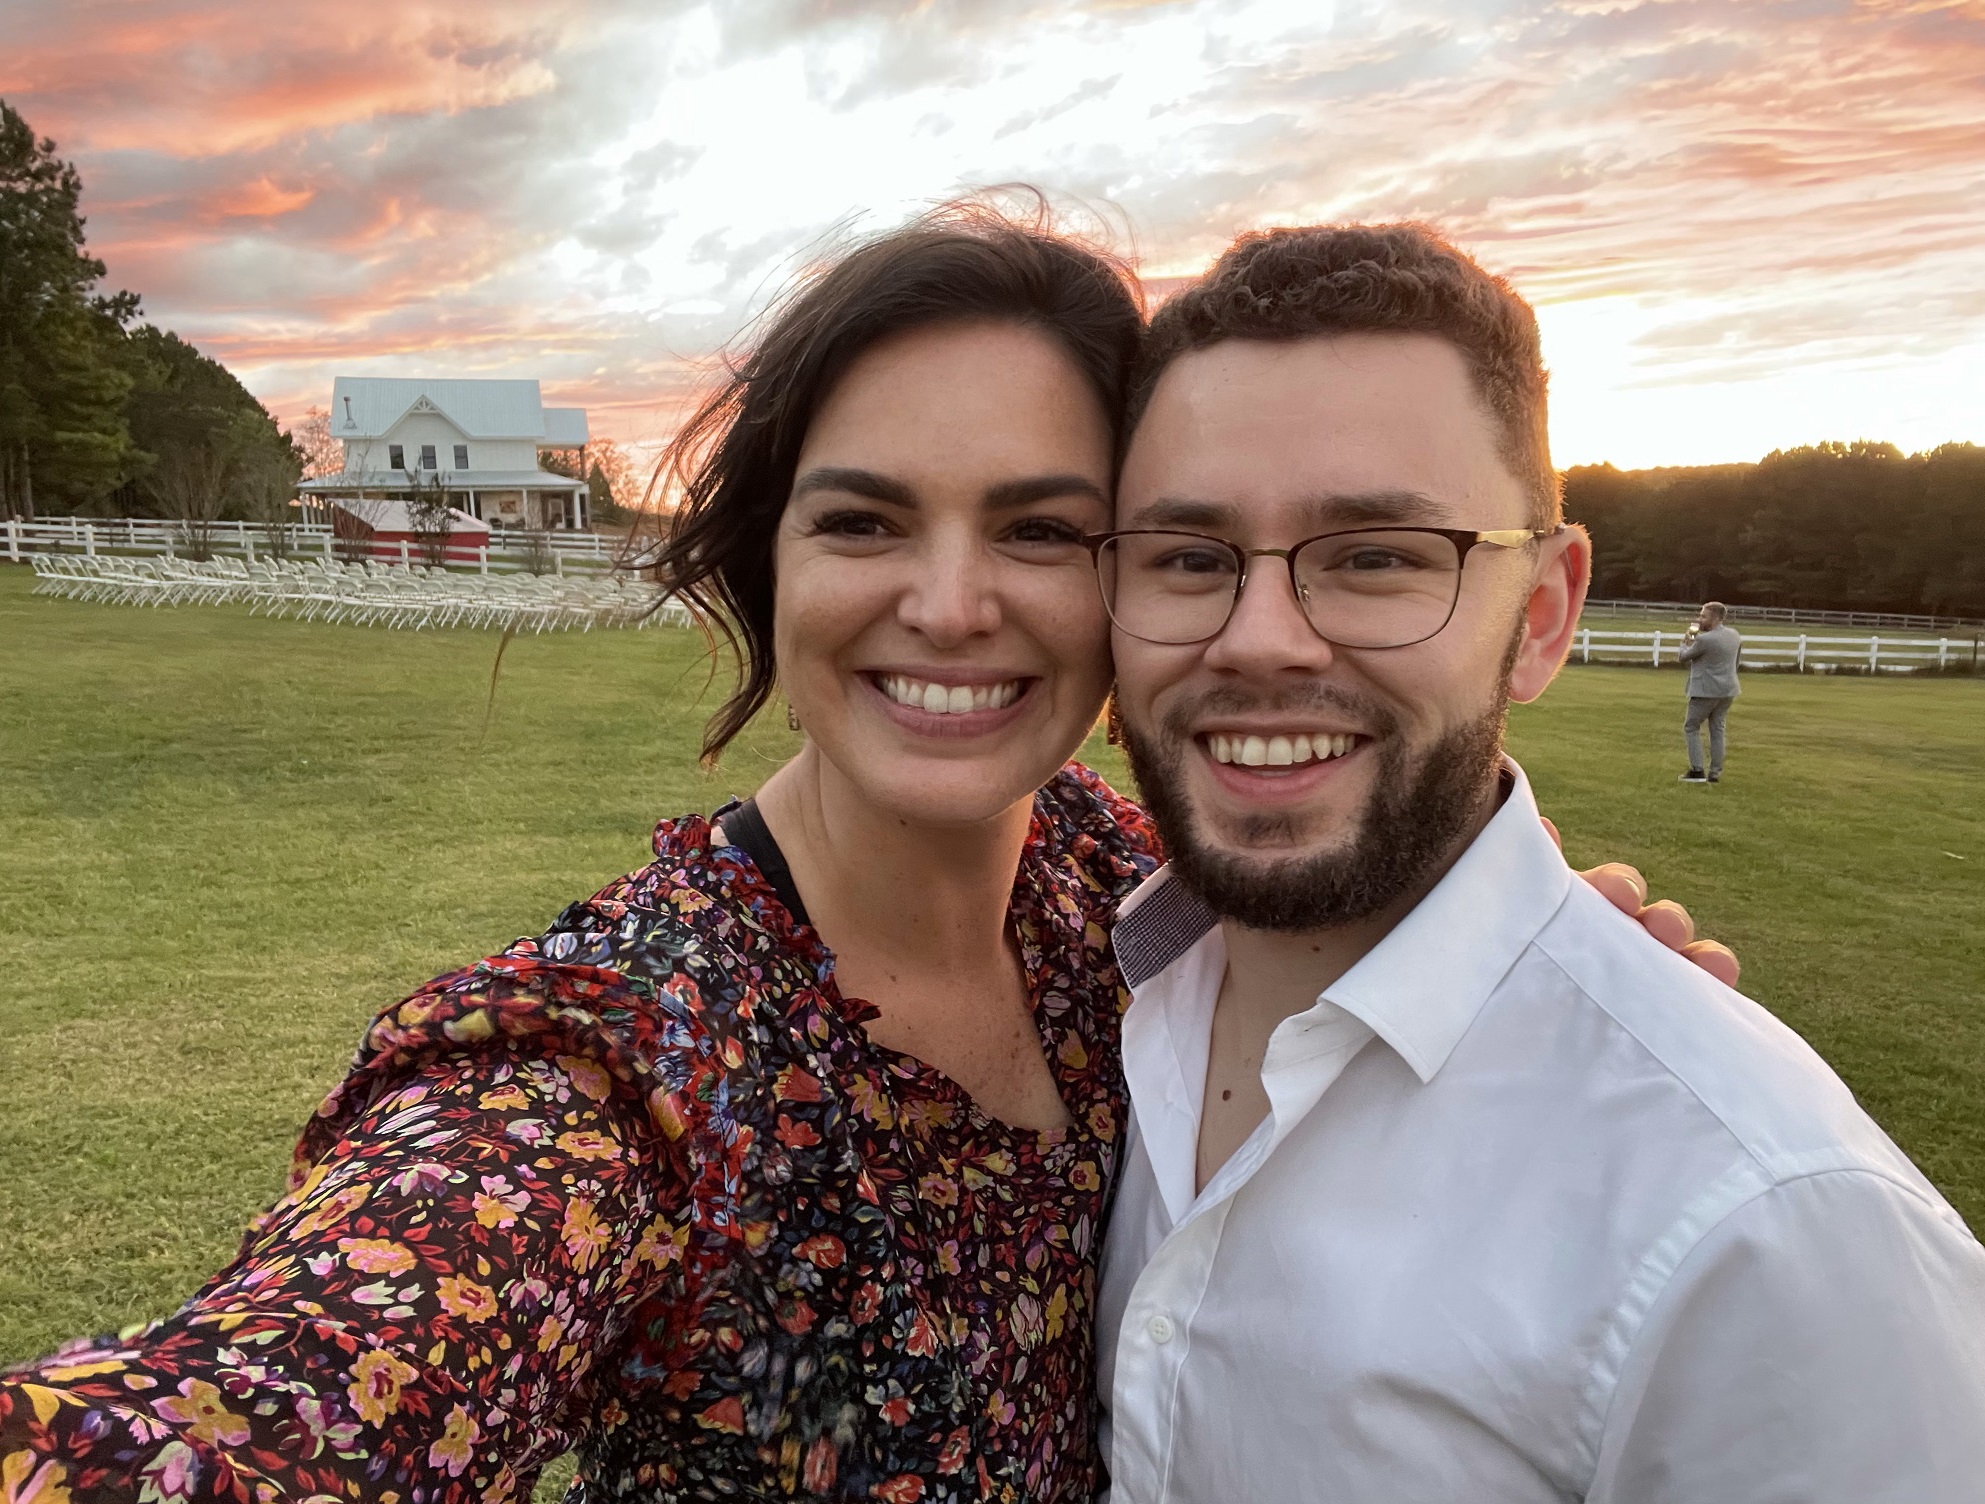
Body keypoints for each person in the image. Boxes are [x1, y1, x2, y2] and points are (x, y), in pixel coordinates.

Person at [0, 205, 1726, 1504]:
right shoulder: (613, 1063)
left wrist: (1543, 967)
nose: (951, 603)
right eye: (864, 518)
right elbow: (273, 1397)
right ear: (770, 563)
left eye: (1040, 527)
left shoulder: (1121, 884)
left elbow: (1379, 928)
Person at [1093, 223, 1985, 1502]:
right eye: (1188, 558)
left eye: (1377, 556)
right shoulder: (1094, 984)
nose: (1261, 639)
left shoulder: (1772, 1229)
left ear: (1543, 615)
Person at [1678, 599, 1740, 782]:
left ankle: (1697, 770)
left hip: (1705, 690)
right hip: (1728, 689)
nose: (1700, 619)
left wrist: (1686, 640)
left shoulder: (1705, 639)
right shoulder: (1734, 635)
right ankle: (1715, 772)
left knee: (1691, 726)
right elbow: (1736, 662)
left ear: (1714, 618)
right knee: (1718, 729)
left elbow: (1683, 657)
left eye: (1703, 616)